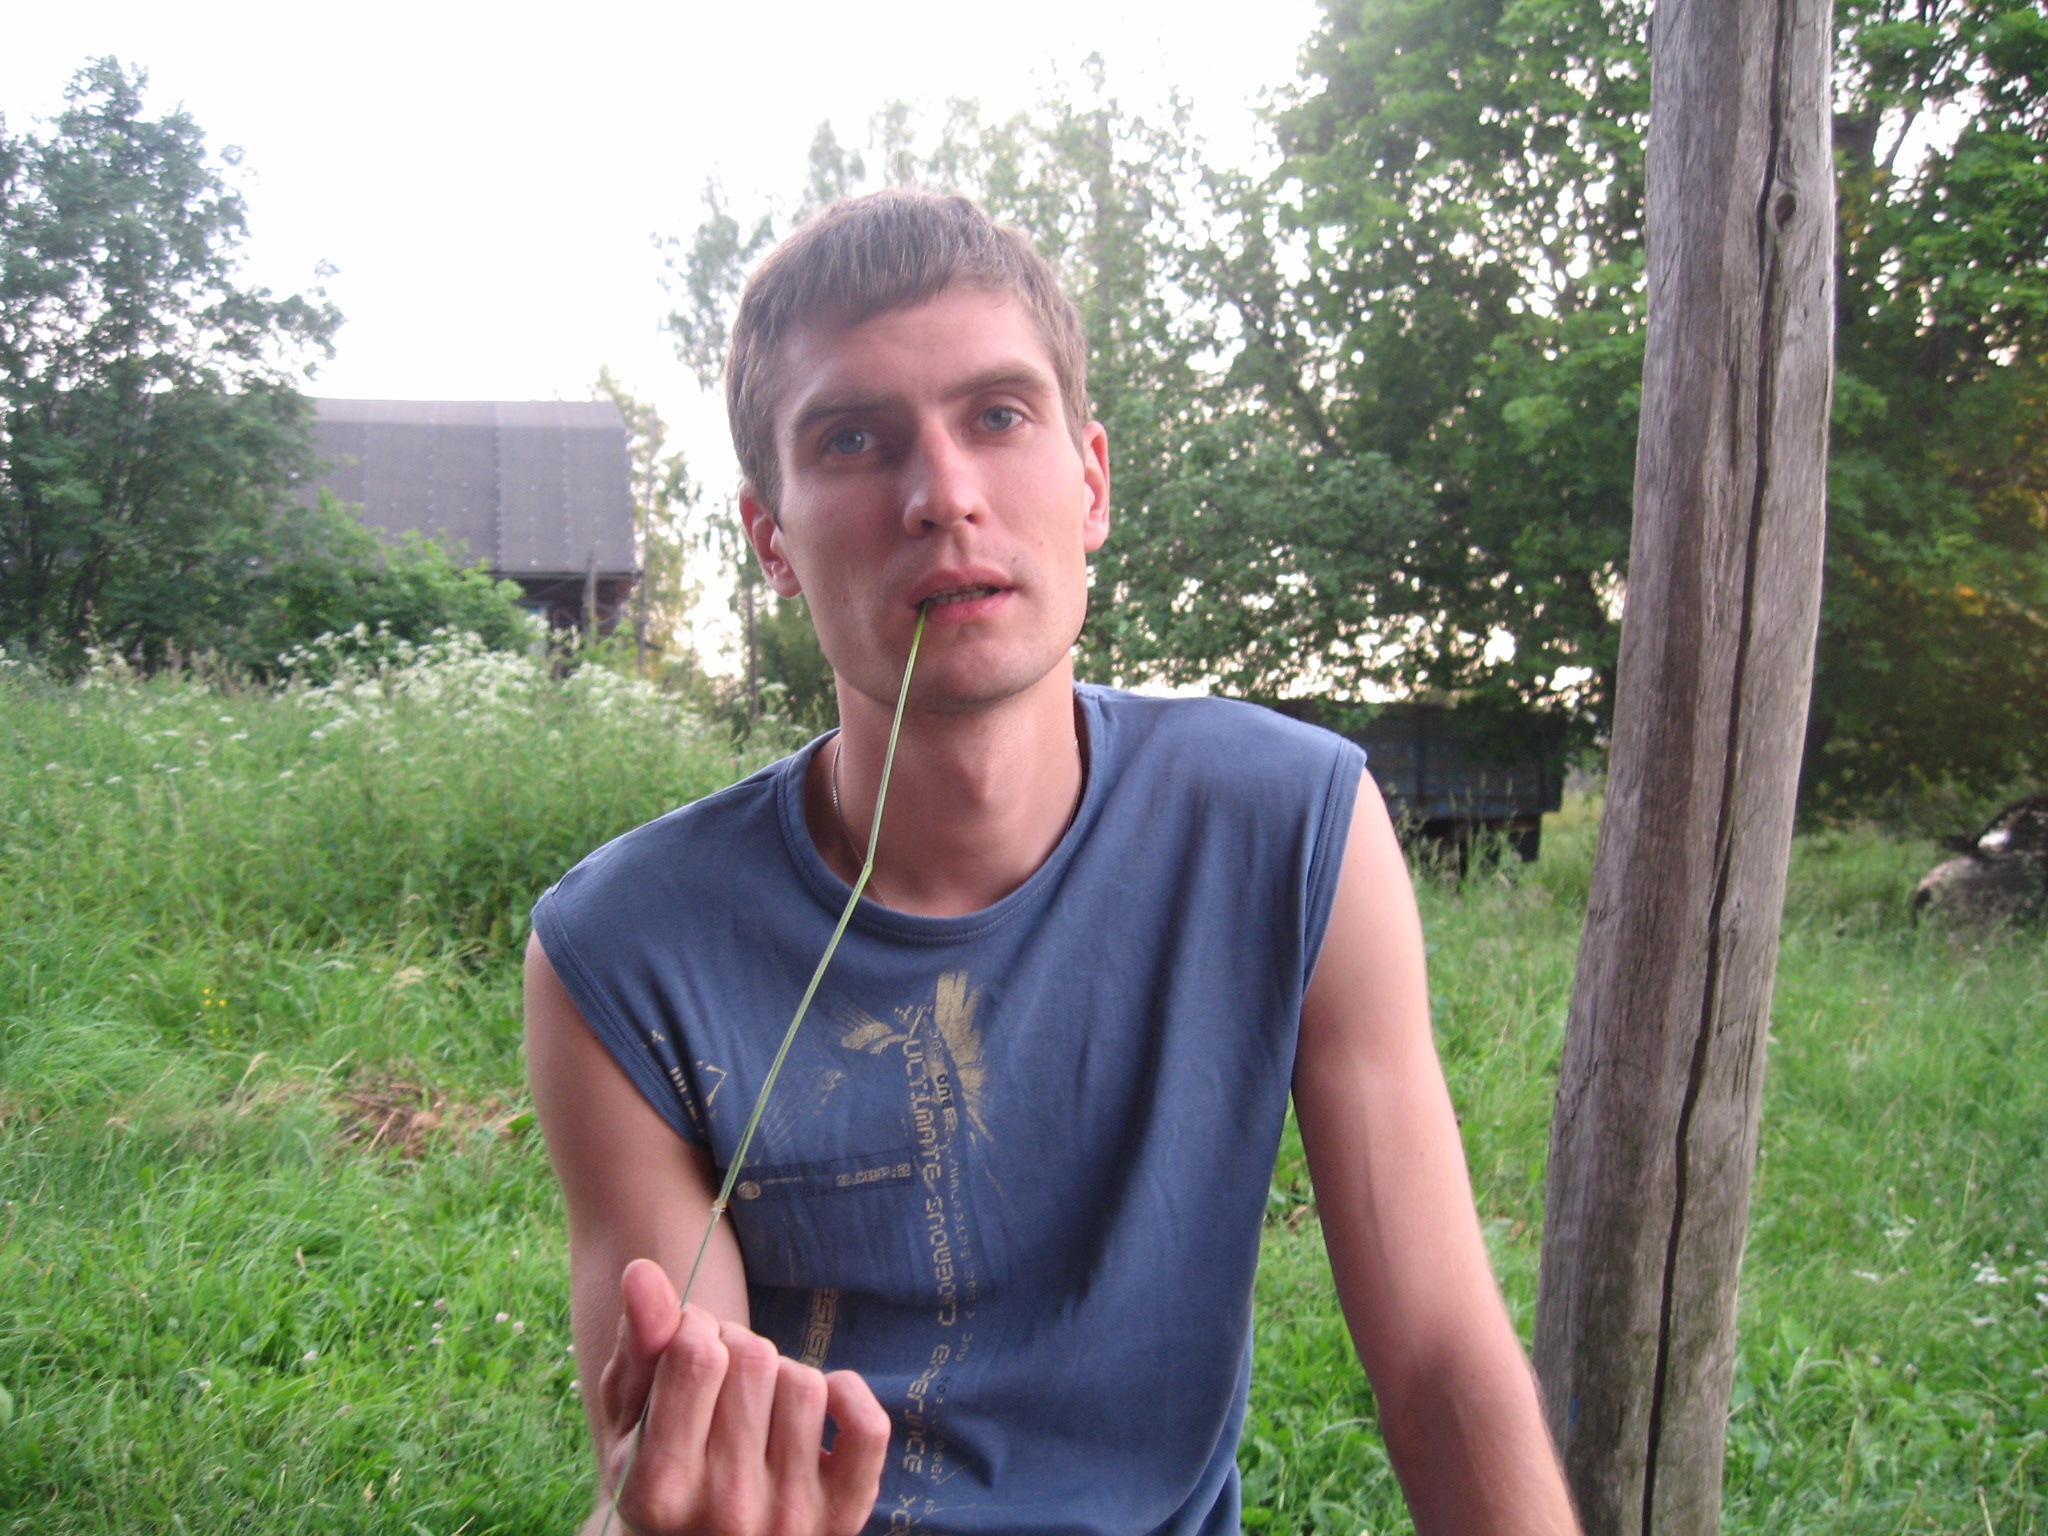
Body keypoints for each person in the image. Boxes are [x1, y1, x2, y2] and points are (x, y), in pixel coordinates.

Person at [525, 189, 1579, 1536]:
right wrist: (664, 1508)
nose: (943, 496)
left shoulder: (1293, 826)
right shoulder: (622, 952)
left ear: (1092, 482)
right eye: (853, 440)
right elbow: (690, 1449)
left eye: (998, 416)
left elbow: (1440, 1366)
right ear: (771, 539)